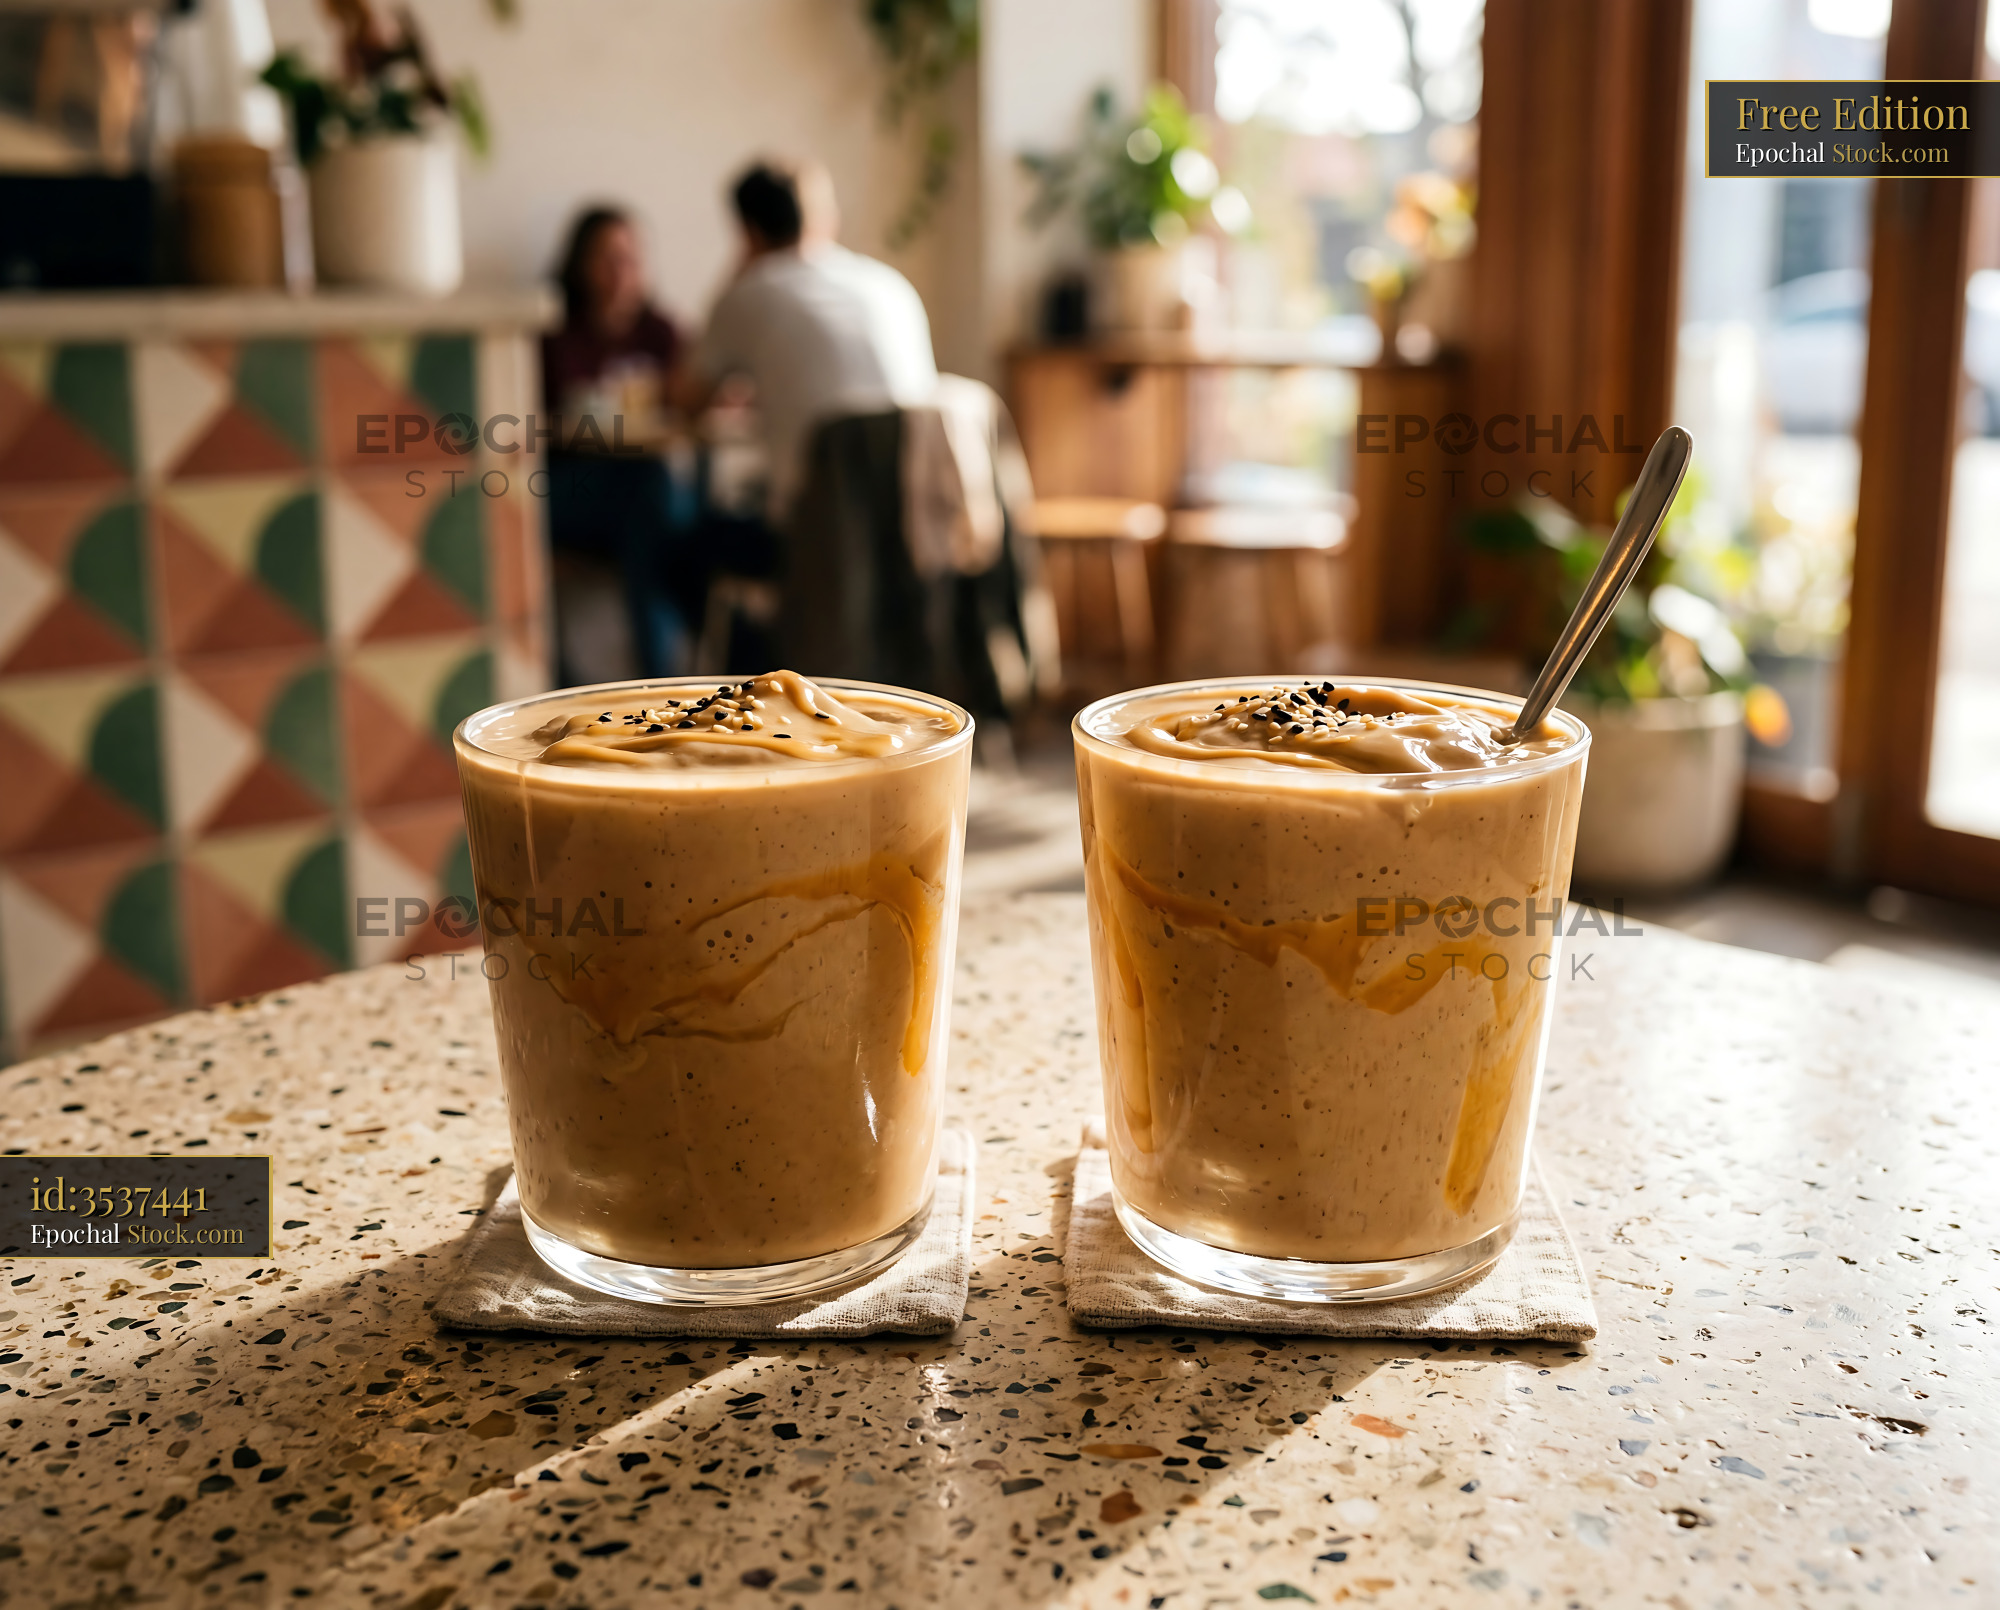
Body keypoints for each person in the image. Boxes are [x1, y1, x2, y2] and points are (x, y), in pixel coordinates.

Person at [687, 162, 939, 521]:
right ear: (824, 219)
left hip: (816, 526)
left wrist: (740, 271)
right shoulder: (889, 284)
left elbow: (687, 400)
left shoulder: (749, 294)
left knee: (691, 528)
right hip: (915, 520)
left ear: (747, 232)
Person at [542, 207, 694, 680]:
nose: (622, 272)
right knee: (655, 506)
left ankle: (590, 684)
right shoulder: (554, 335)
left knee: (653, 505)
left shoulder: (662, 333)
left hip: (639, 492)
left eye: (631, 259)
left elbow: (692, 401)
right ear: (581, 265)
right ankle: (667, 679)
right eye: (609, 259)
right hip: (571, 485)